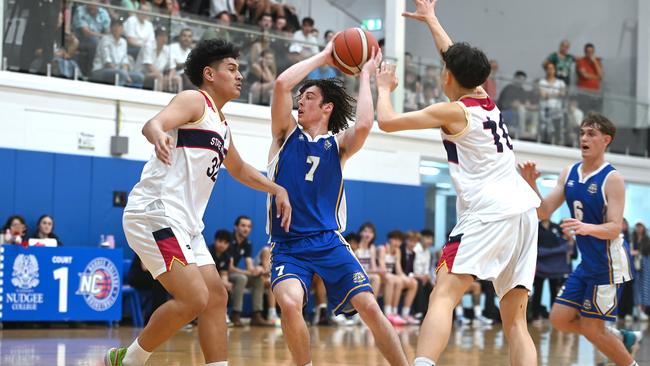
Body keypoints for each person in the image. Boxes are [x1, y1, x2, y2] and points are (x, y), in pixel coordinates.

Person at [104, 38, 292, 366]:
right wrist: (159, 133)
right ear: (209, 73)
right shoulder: (195, 100)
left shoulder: (222, 125)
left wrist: (277, 189)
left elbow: (240, 169)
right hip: (156, 212)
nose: (239, 76)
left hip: (187, 225)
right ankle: (128, 359)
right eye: (231, 69)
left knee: (216, 297)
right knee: (194, 298)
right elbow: (154, 123)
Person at [376, 1, 541, 365]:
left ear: (448, 75)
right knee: (516, 320)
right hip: (524, 212)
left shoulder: (454, 111)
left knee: (444, 295)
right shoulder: (487, 101)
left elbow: (386, 122)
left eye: (443, 68)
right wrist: (432, 20)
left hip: (489, 213)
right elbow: (452, 56)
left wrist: (384, 87)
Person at [267, 37, 408, 365]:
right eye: (300, 98)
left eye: (310, 97)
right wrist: (325, 56)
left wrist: (364, 74)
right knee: (289, 303)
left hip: (329, 242)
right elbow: (280, 85)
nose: (300, 102)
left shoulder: (338, 145)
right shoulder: (285, 135)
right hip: (288, 245)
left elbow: (362, 125)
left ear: (327, 107)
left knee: (370, 307)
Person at [519, 112, 641, 366]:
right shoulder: (569, 172)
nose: (584, 138)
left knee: (591, 328)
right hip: (588, 264)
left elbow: (615, 228)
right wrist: (531, 184)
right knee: (559, 318)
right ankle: (618, 336)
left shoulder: (612, 178)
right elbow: (543, 211)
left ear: (606, 140)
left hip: (609, 264)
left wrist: (585, 227)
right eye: (582, 133)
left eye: (591, 134)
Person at [228, 215, 273, 326]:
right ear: (236, 227)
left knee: (258, 279)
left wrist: (259, 270)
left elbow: (249, 266)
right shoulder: (229, 240)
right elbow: (230, 268)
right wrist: (250, 272)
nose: (246, 229)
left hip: (236, 273)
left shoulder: (247, 243)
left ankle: (256, 315)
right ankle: (235, 314)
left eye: (249, 226)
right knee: (242, 278)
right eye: (243, 225)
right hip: (222, 274)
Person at [531, 219, 571, 323]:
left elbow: (566, 242)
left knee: (554, 292)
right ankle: (536, 316)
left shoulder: (556, 227)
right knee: (538, 292)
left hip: (554, 267)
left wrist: (570, 238)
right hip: (540, 266)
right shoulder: (536, 226)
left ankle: (553, 317)